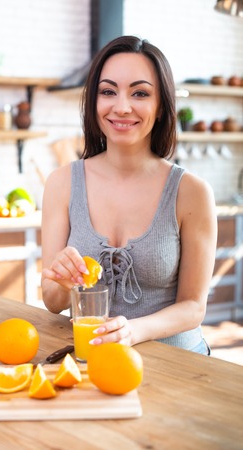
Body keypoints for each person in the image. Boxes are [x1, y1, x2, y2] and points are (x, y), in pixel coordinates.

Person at [41, 35, 217, 355]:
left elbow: (193, 306)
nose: (122, 107)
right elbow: (52, 302)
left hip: (182, 367)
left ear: (161, 106)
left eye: (140, 93)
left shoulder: (192, 193)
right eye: (108, 91)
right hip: (95, 361)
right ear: (93, 102)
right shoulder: (61, 183)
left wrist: (133, 330)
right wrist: (66, 283)